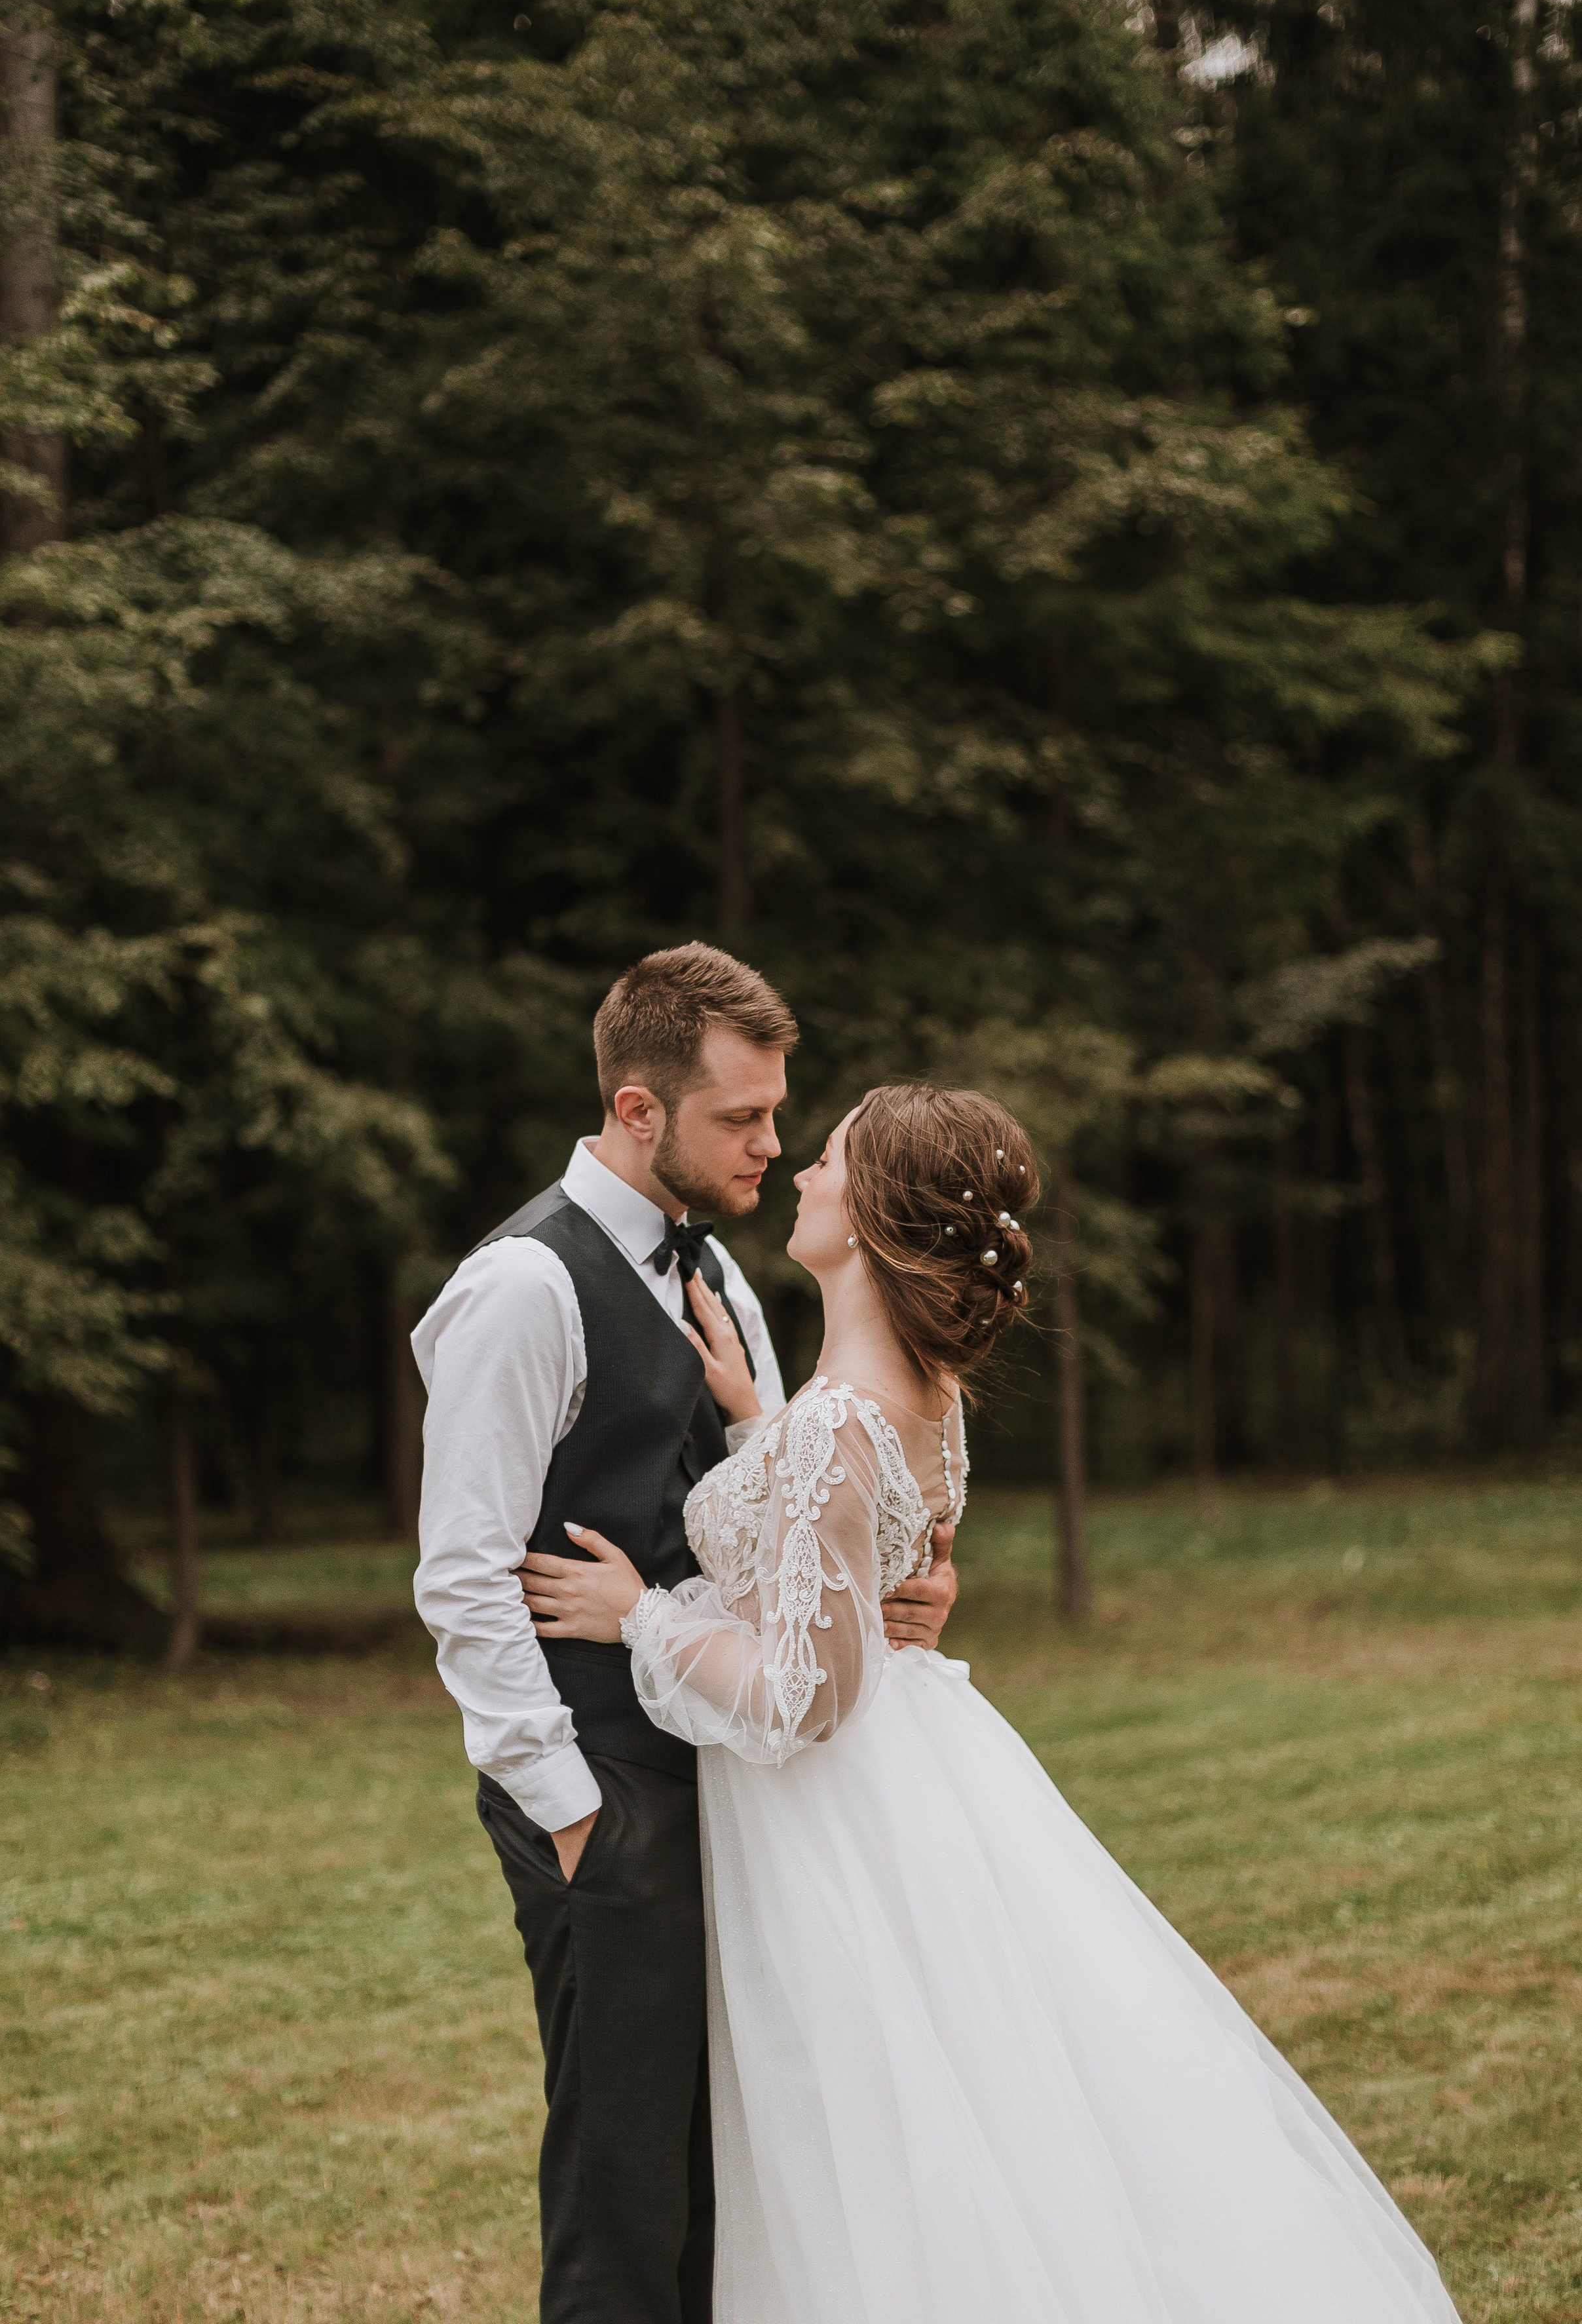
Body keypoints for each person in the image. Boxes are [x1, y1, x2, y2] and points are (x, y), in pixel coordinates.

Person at [519, 1082, 1465, 2324]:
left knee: (867, 2132)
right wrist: (759, 1425)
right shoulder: (916, 1403)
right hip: (921, 1775)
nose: (801, 1172)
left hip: (834, 1822)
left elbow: (804, 1698)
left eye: (831, 1160)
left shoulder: (840, 1425)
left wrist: (639, 1614)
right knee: (973, 2102)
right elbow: (847, 1564)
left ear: (872, 1219)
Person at [410, 946, 958, 2324]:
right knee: (624, 2178)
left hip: (738, 1769)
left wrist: (892, 1586)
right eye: (742, 1119)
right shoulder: (521, 1288)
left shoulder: (715, 1269)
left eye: (780, 1119)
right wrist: (563, 1804)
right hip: (603, 1785)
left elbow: (782, 1517)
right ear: (639, 1108)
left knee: (736, 2163)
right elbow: (463, 1576)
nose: (772, 1147)